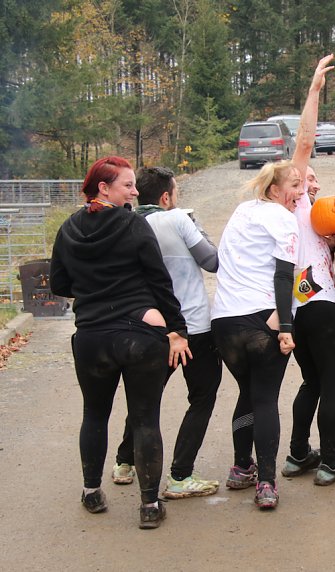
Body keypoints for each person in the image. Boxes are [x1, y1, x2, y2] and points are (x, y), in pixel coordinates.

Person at [50, 156, 190, 529]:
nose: (133, 191)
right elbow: (160, 281)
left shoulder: (68, 229)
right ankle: (148, 506)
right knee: (146, 419)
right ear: (103, 188)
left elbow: (59, 286)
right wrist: (176, 328)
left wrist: (94, 291)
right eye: (127, 185)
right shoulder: (134, 225)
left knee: (94, 414)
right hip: (139, 336)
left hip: (92, 337)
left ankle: (92, 491)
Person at [110, 166, 221, 499]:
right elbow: (212, 261)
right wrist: (197, 224)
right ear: (165, 197)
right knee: (202, 395)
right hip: (192, 326)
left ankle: (124, 462)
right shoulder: (177, 219)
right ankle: (180, 474)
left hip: (150, 327)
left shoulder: (128, 224)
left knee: (146, 398)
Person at [278, 55, 335, 486]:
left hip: (293, 312)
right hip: (320, 308)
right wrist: (313, 91)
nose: (313, 182)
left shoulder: (283, 218)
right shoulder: (299, 204)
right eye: (307, 179)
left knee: (310, 382)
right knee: (332, 382)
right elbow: (304, 143)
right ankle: (328, 460)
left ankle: (296, 455)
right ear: (295, 185)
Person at [211, 159, 301, 510]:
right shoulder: (283, 218)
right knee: (265, 398)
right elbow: (283, 276)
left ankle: (241, 467)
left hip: (225, 320)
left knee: (246, 393)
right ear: (275, 190)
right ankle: (266, 481)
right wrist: (287, 327)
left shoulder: (242, 211)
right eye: (294, 185)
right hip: (262, 318)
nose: (301, 191)